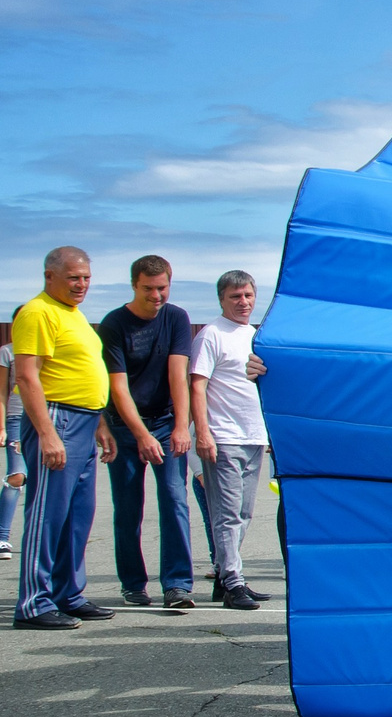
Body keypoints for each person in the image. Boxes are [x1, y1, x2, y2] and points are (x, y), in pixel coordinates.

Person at [9, 247, 113, 630]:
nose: (81, 284)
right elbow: (27, 375)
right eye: (73, 278)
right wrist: (47, 433)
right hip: (58, 419)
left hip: (85, 421)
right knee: (47, 514)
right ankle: (34, 603)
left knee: (77, 516)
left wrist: (100, 423)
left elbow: (84, 372)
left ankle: (68, 593)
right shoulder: (37, 312)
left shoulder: (74, 315)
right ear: (49, 276)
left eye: (86, 277)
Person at [97, 254, 197, 611]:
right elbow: (118, 388)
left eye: (162, 288)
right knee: (127, 508)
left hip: (166, 421)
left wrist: (181, 427)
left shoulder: (176, 318)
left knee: (174, 499)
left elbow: (178, 376)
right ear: (134, 286)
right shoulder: (114, 324)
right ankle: (133, 584)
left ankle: (177, 584)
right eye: (149, 289)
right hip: (126, 426)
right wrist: (141, 435)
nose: (157, 296)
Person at [190, 271, 273, 612]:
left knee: (244, 512)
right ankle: (233, 580)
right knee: (226, 515)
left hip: (253, 436)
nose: (243, 302)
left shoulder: (254, 336)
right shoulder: (211, 335)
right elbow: (197, 385)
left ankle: (227, 578)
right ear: (222, 300)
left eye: (248, 296)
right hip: (223, 437)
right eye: (236, 296)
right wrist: (203, 432)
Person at [0, 335, 23, 558]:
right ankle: (2, 539)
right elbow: (1, 391)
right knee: (17, 476)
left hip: (50, 419)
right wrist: (1, 427)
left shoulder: (52, 348)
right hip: (18, 419)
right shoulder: (8, 351)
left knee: (49, 481)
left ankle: (40, 539)